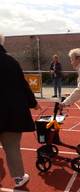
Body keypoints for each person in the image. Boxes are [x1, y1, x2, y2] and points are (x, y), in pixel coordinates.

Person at [0, 34, 41, 187]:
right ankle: (18, 178)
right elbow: (23, 85)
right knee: (12, 148)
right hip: (11, 113)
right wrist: (33, 102)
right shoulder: (11, 61)